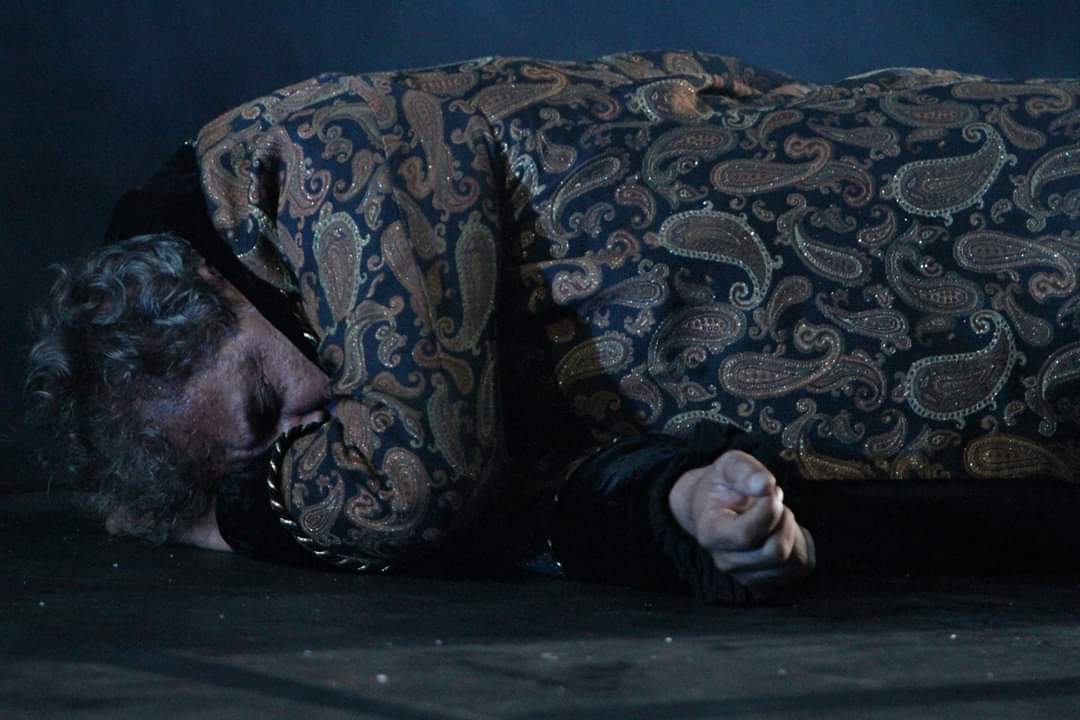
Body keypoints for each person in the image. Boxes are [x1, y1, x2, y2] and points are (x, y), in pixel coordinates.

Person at [26, 50, 1080, 604]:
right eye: (261, 452)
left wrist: (232, 519)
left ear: (224, 294)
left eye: (265, 402)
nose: (303, 433)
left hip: (997, 216)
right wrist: (686, 509)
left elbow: (414, 484)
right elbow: (546, 506)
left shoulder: (303, 156)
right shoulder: (402, 379)